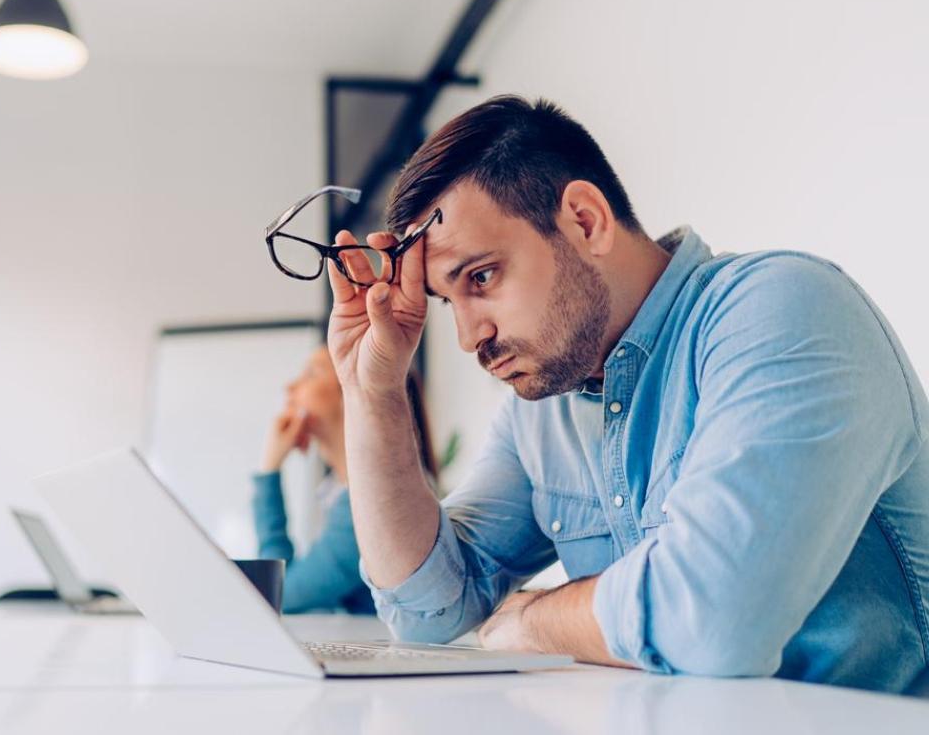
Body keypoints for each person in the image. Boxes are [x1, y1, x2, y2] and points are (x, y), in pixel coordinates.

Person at [323, 95, 929, 693]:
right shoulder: (541, 413)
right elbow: (426, 611)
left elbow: (713, 622)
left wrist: (533, 620)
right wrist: (370, 393)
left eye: (481, 277)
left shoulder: (781, 308)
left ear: (586, 220)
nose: (467, 336)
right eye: (448, 300)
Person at [251, 345, 437, 614]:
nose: (290, 386)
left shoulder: (377, 502)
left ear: (352, 392)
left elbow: (281, 594)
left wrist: (269, 470)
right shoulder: (339, 493)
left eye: (312, 373)